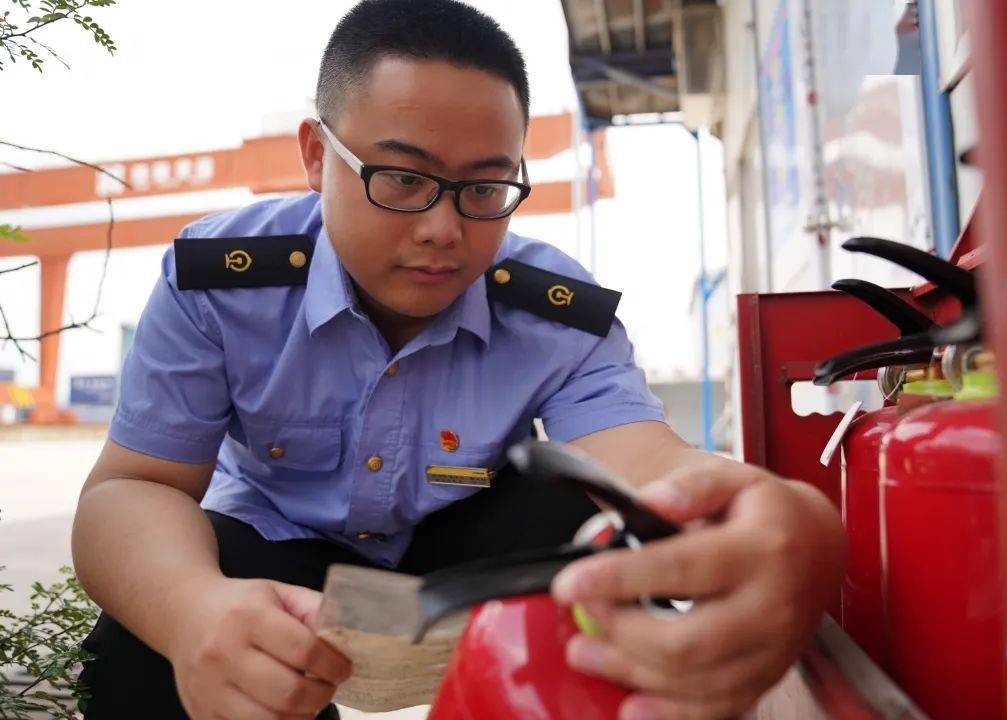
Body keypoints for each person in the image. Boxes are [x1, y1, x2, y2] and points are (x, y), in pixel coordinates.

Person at [70, 1, 846, 718]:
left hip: (463, 567)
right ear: (317, 155)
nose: (444, 229)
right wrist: (190, 611)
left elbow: (649, 467)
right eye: (403, 179)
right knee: (147, 639)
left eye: (484, 188)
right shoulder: (222, 281)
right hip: (277, 564)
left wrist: (786, 518)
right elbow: (134, 487)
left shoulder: (554, 311)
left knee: (580, 518)